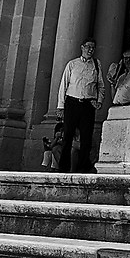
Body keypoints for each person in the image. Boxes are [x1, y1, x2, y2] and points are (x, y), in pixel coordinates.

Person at [56, 38, 101, 171]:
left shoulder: (96, 64)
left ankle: (83, 167)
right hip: (72, 102)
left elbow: (100, 85)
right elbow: (63, 85)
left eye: (93, 47)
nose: (90, 50)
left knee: (86, 137)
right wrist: (60, 106)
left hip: (88, 104)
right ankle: (63, 167)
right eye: (88, 47)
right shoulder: (72, 64)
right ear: (82, 47)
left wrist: (99, 100)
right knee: (68, 135)